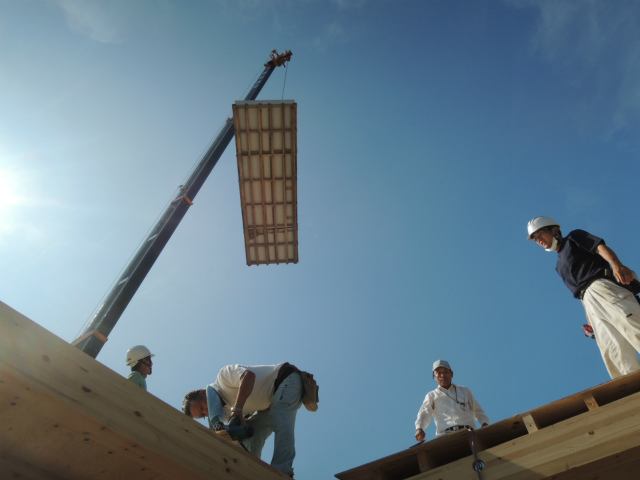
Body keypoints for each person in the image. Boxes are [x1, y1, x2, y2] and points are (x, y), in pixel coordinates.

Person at [527, 216, 640, 378]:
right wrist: (590, 320)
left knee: (633, 326)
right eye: (535, 239)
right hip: (590, 302)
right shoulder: (559, 267)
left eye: (540, 235)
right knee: (613, 351)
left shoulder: (574, 237)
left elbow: (600, 248)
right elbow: (581, 293)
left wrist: (617, 265)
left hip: (604, 287)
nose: (539, 240)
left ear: (554, 230)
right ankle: (634, 389)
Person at [183, 363, 306, 478]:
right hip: (268, 404)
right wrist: (241, 433)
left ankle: (283, 471)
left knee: (280, 419)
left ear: (203, 392)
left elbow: (249, 376)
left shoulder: (223, 377)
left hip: (285, 379)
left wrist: (237, 409)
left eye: (201, 408)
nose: (206, 412)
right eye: (203, 415)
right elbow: (248, 430)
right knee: (252, 438)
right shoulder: (225, 415)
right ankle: (249, 473)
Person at [415, 360, 489, 441]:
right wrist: (419, 428)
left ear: (452, 374)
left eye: (445, 372)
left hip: (468, 432)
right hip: (444, 436)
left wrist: (484, 423)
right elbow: (424, 413)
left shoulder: (464, 390)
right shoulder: (432, 396)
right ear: (435, 377)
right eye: (439, 373)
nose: (442, 375)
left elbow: (478, 411)